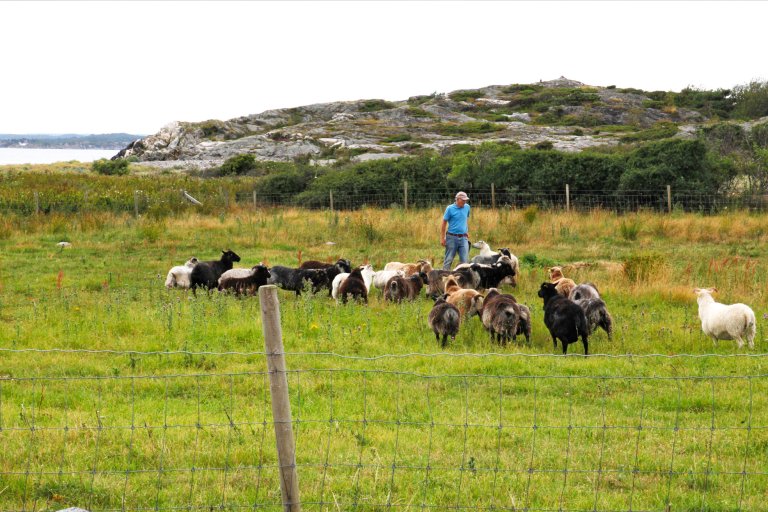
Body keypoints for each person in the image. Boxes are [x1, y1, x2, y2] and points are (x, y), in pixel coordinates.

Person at [440, 191, 471, 270]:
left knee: (465, 261)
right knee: (449, 259)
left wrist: (466, 231)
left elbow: (465, 219)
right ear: (457, 199)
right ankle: (445, 277)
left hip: (464, 238)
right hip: (451, 237)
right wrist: (442, 238)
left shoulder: (467, 207)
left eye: (465, 200)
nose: (464, 202)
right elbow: (443, 223)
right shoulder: (450, 208)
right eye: (463, 200)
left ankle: (463, 279)